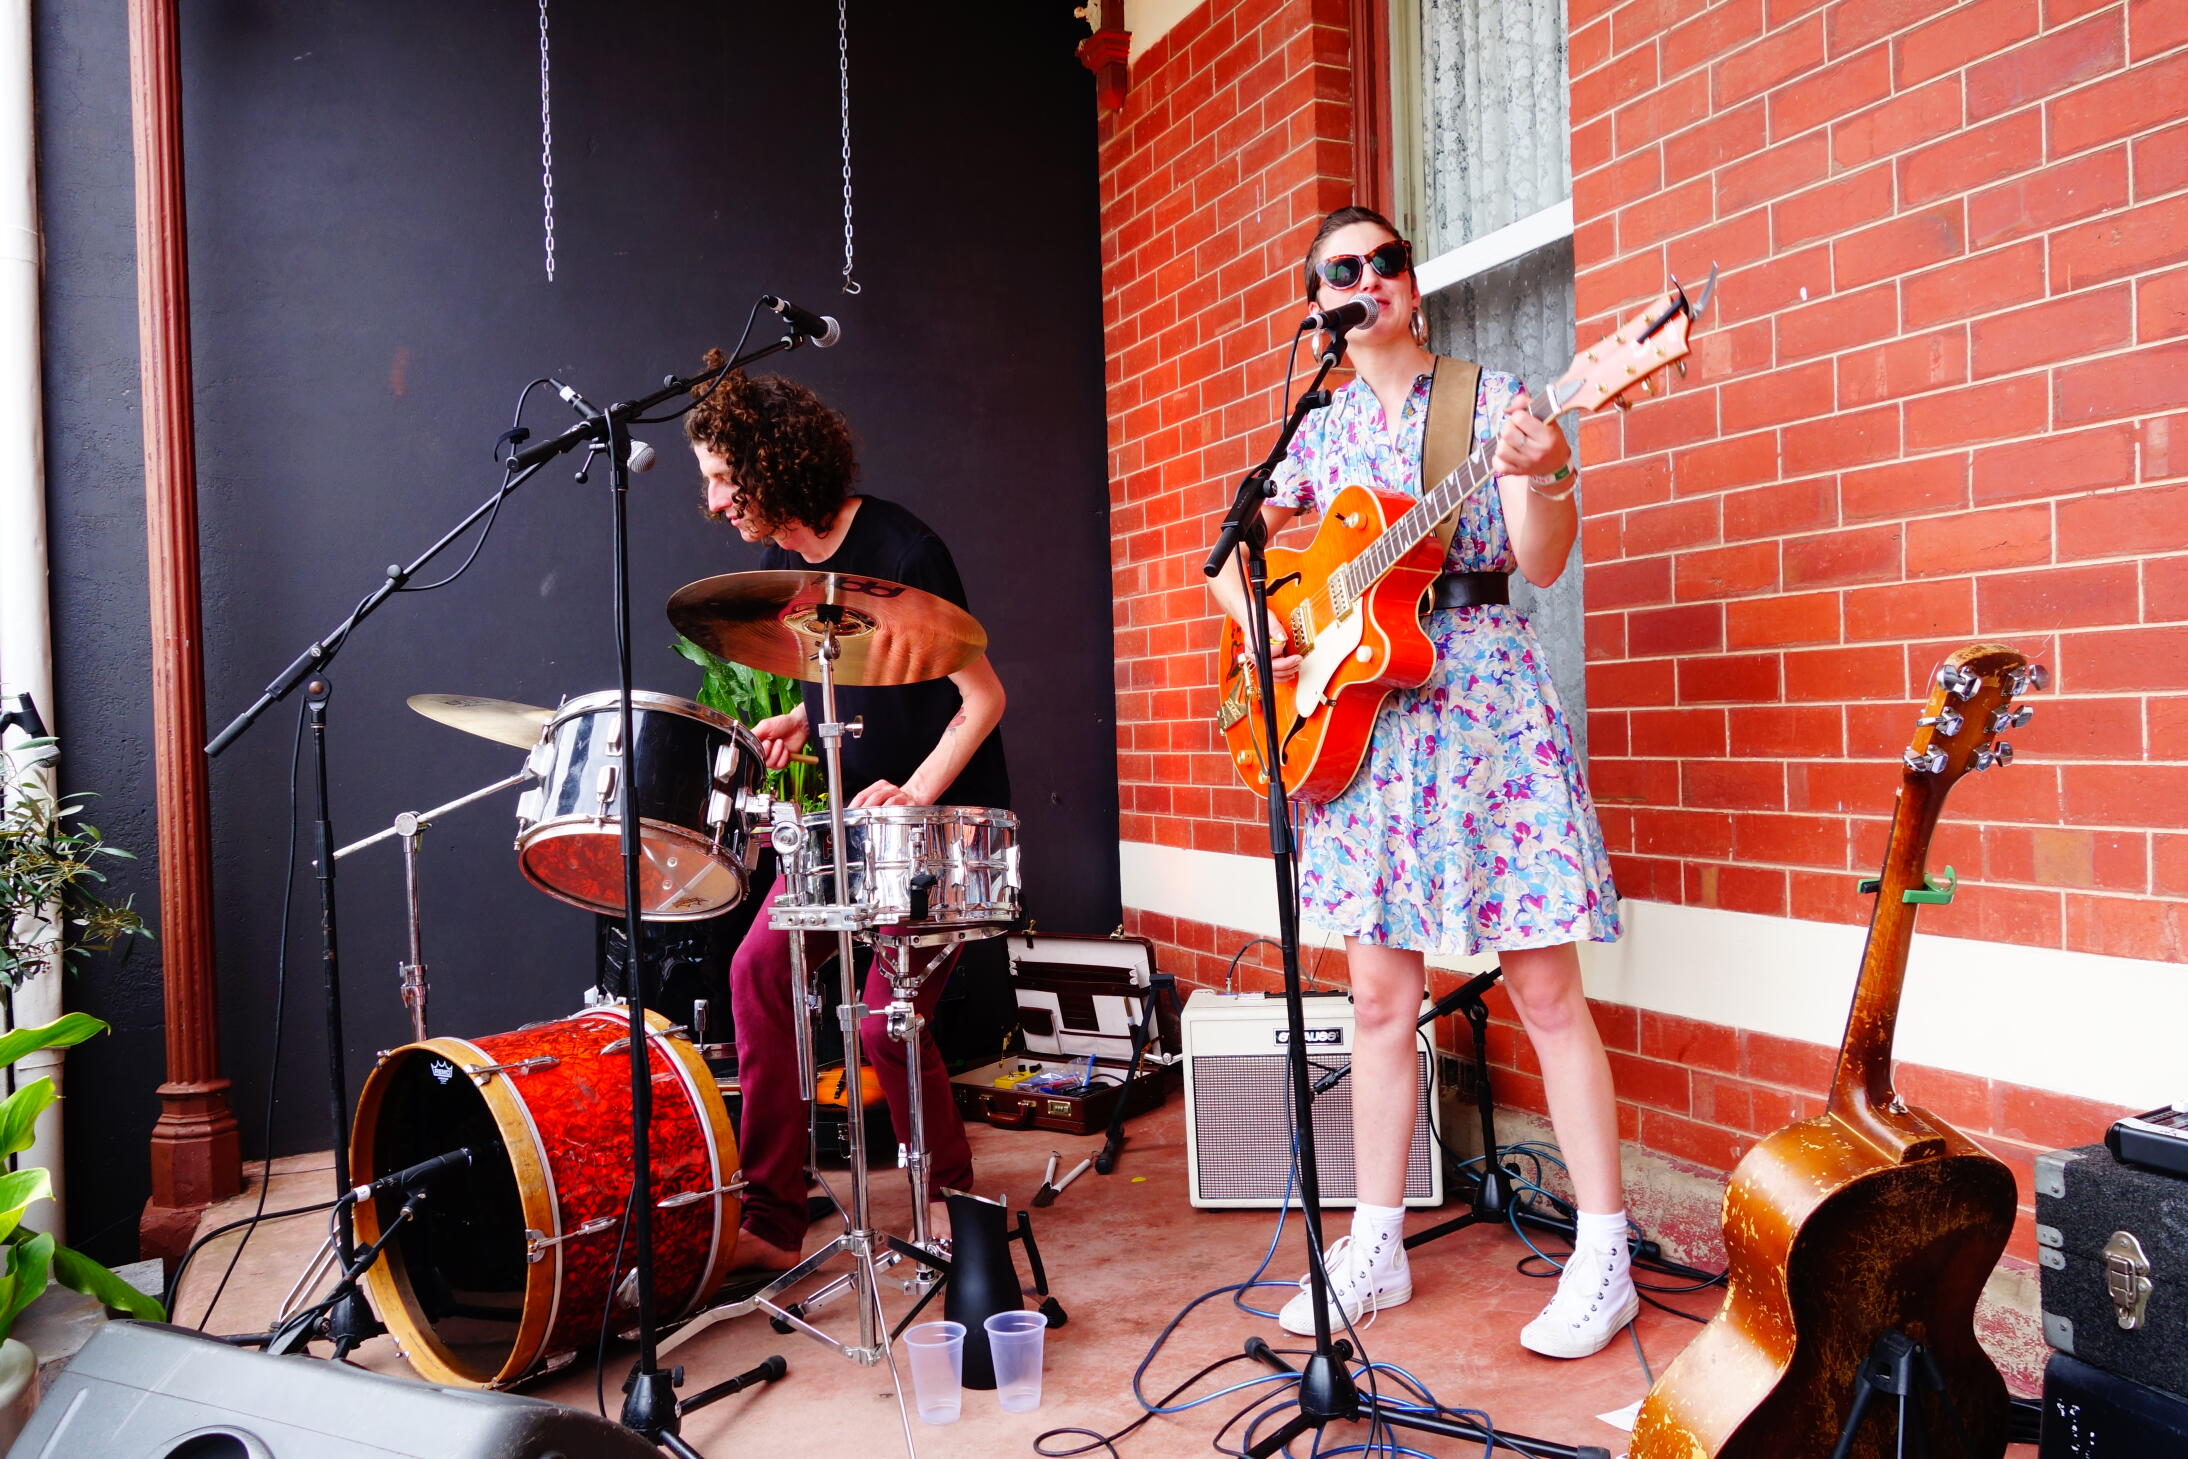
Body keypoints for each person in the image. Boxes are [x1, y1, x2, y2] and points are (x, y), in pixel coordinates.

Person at [1207, 207, 1629, 1359]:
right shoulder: (1319, 430)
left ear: (1413, 285)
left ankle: (1603, 1251)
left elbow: (1540, 558)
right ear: (1321, 308)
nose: (1367, 278)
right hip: (1365, 729)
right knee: (1379, 1001)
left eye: (1383, 260)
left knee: (1545, 990)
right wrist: (1269, 628)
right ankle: (1376, 1241)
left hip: (1484, 705)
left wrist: (1547, 471)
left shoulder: (1493, 402)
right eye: (1340, 270)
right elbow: (1231, 562)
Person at [685, 356, 1010, 1272]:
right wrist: (801, 719)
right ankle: (772, 1216)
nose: (714, 502)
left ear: (772, 462)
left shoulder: (905, 551)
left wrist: (914, 792)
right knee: (759, 971)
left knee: (880, 1018)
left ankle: (950, 1196)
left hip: (932, 828)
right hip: (849, 826)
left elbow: (983, 698)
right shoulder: (781, 563)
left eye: (723, 477)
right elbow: (849, 678)